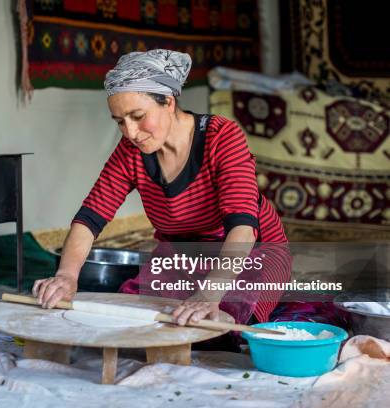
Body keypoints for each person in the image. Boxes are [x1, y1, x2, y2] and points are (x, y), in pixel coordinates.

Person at [33, 49, 289, 332]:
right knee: (132, 324)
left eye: (138, 116)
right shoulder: (131, 151)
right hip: (180, 257)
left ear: (168, 101)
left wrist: (209, 294)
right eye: (119, 121)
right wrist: (67, 276)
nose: (130, 132)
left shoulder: (222, 137)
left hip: (250, 255)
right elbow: (91, 217)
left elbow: (242, 226)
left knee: (217, 330)